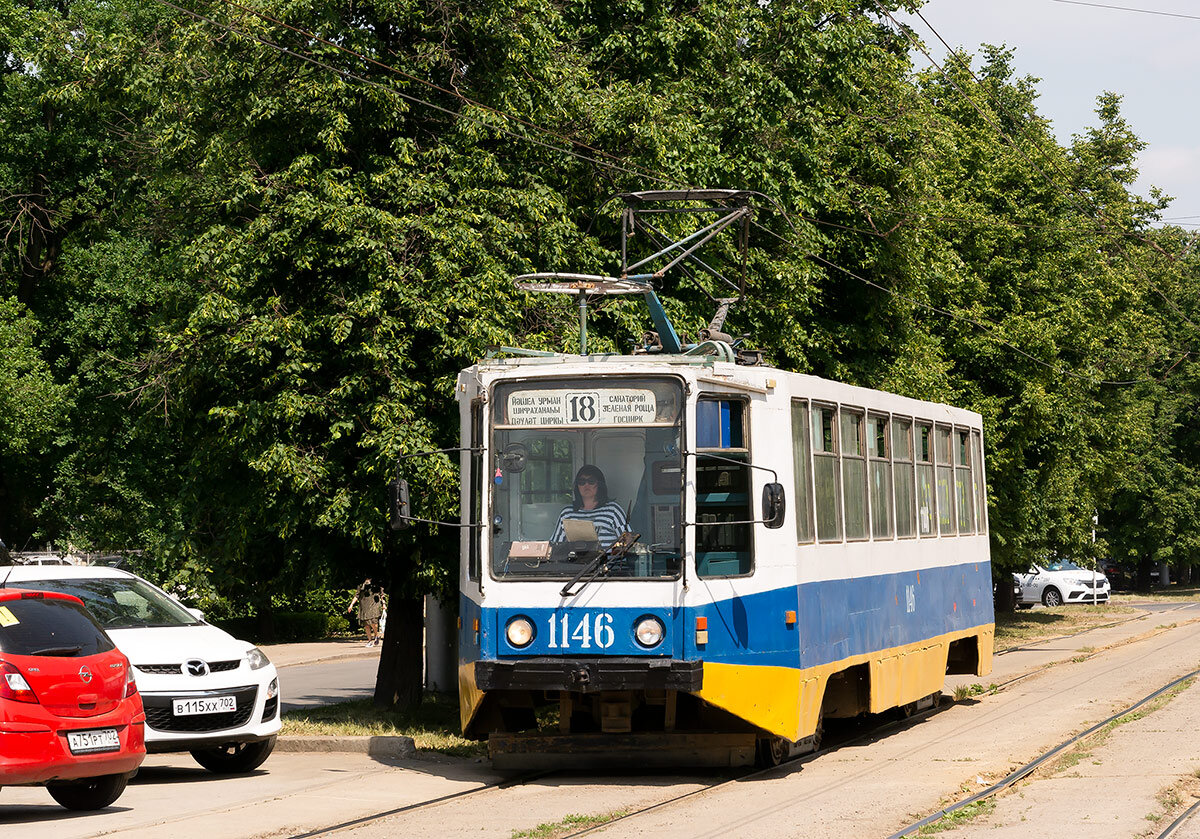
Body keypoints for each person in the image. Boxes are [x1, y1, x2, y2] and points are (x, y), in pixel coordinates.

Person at [551, 465, 629, 545]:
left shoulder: (613, 510)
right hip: (575, 557)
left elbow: (628, 542)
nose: (586, 485)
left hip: (608, 557)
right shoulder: (567, 513)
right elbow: (555, 544)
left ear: (599, 484)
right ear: (577, 486)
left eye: (591, 481)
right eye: (582, 482)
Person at [347, 578, 385, 647]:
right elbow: (357, 595)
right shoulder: (361, 584)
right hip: (364, 605)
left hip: (374, 604)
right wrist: (351, 605)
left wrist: (384, 604)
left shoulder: (376, 583)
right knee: (366, 624)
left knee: (374, 622)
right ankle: (369, 641)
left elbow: (382, 595)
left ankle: (376, 635)